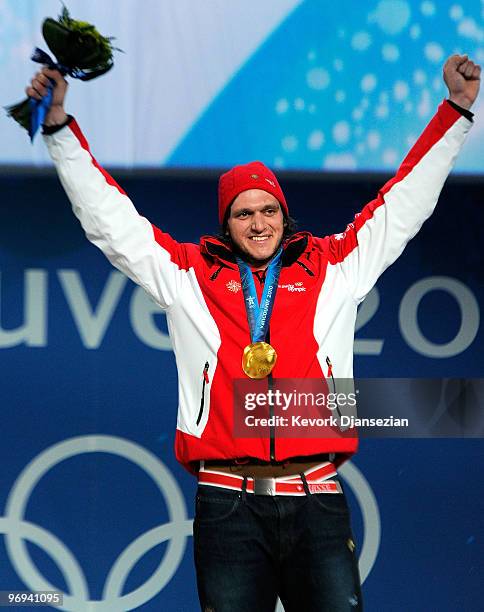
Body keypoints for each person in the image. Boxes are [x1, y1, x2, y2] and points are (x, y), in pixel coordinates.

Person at [26, 53, 480, 611]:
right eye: (244, 214)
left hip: (316, 498)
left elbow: (404, 203)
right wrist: (59, 130)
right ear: (227, 224)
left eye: (269, 210)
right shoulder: (187, 274)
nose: (259, 223)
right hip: (227, 507)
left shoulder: (333, 266)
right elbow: (109, 219)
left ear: (284, 216)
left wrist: (456, 110)